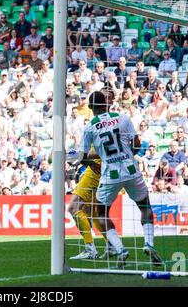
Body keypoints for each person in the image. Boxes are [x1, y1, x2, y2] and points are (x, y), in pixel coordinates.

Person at [79, 89, 162, 267]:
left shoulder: (89, 127)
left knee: (101, 214)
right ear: (107, 104)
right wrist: (126, 156)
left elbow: (82, 157)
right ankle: (148, 243)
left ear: (91, 108)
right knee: (145, 207)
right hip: (131, 170)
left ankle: (120, 249)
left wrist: (93, 162)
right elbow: (137, 145)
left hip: (110, 174)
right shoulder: (123, 118)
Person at [67, 154, 116, 260]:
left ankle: (90, 249)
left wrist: (83, 159)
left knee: (73, 208)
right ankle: (111, 245)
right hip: (105, 169)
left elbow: (85, 155)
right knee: (93, 212)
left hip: (95, 169)